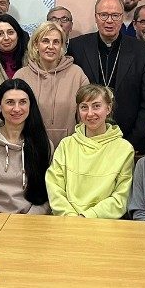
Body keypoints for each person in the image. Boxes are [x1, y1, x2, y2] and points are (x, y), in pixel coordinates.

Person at [67, 0, 145, 152]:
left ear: (122, 18)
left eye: (115, 15)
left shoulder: (142, 52)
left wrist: (130, 143)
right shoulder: (77, 47)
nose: (109, 20)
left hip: (129, 141)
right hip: (85, 141)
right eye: (104, 15)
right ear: (96, 17)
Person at [45, 84, 134, 218]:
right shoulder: (66, 145)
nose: (90, 113)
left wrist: (87, 217)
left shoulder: (124, 149)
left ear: (108, 108)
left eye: (96, 106)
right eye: (84, 107)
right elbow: (54, 187)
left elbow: (121, 198)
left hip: (105, 223)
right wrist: (71, 217)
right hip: (66, 221)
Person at [0, 79, 53, 214]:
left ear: (30, 106)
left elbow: (48, 196)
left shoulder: (43, 144)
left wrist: (28, 221)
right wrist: (1, 221)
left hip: (31, 220)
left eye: (23, 102)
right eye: (10, 102)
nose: (17, 109)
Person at [14, 21, 89, 147]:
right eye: (45, 41)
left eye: (56, 42)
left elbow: (85, 116)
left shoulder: (77, 74)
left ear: (62, 46)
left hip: (69, 148)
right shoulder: (21, 76)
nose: (51, 46)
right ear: (36, 45)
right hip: (31, 148)